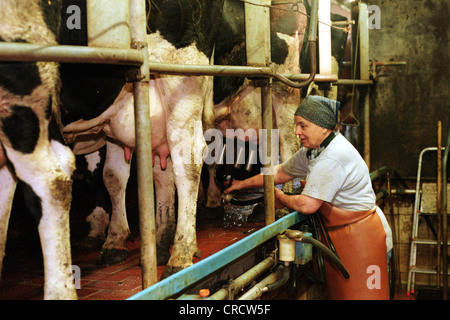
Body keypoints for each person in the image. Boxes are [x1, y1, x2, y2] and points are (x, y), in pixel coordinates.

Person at [224, 95, 392, 300]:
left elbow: (306, 205)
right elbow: (278, 173)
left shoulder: (333, 156)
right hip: (342, 235)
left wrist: (281, 197)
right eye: (297, 125)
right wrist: (240, 184)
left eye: (303, 126)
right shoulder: (314, 151)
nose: (297, 132)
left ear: (323, 127)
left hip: (363, 238)